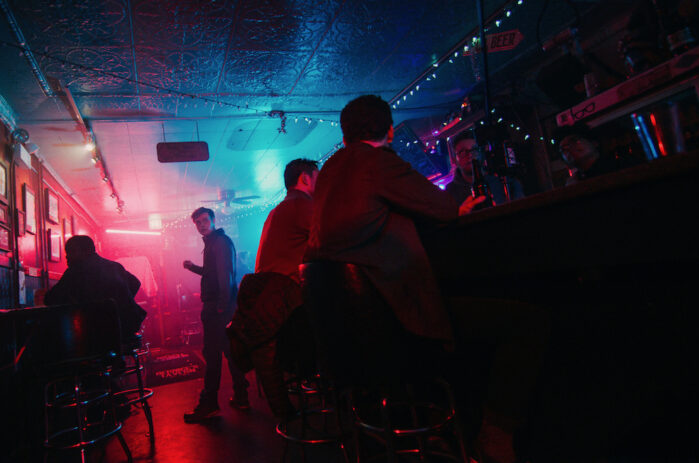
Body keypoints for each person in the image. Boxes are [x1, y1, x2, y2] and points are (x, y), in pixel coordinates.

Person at [305, 95, 540, 463]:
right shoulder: (378, 160)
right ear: (390, 130)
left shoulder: (329, 172)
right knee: (526, 321)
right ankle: (493, 434)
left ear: (346, 133)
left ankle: (440, 424)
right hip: (395, 326)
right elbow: (445, 207)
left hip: (349, 338)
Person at [228, 158, 319, 418]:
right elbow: (333, 240)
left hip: (269, 308)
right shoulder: (302, 205)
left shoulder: (277, 210)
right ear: (305, 178)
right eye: (318, 177)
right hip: (289, 307)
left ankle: (288, 413)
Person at [182, 207, 249, 423]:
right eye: (198, 223)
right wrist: (193, 268)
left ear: (212, 220)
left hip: (217, 309)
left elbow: (226, 276)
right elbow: (214, 273)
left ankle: (209, 403)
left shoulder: (219, 242)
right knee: (230, 353)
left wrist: (221, 307)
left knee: (212, 356)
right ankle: (241, 397)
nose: (201, 225)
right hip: (222, 307)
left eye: (204, 221)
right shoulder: (214, 243)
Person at [43, 235, 147, 343]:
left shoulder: (76, 270)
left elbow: (50, 299)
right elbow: (136, 283)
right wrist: (120, 302)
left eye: (71, 252)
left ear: (84, 251)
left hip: (97, 332)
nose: (67, 257)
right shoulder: (115, 266)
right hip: (127, 325)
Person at [445, 130, 524, 206]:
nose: (470, 155)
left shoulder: (505, 183)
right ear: (454, 159)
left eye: (474, 150)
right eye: (462, 152)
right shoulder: (449, 194)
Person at [556, 123, 638, 185]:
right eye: (563, 149)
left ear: (594, 142)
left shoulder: (623, 166)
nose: (568, 148)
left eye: (573, 141)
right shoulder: (573, 183)